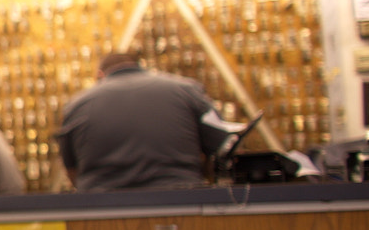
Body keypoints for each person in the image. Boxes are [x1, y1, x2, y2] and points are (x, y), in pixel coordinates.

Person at [55, 50, 235, 190]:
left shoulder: (76, 105)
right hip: (181, 202)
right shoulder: (187, 90)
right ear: (138, 65)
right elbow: (223, 145)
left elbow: (71, 169)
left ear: (100, 75)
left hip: (104, 211)